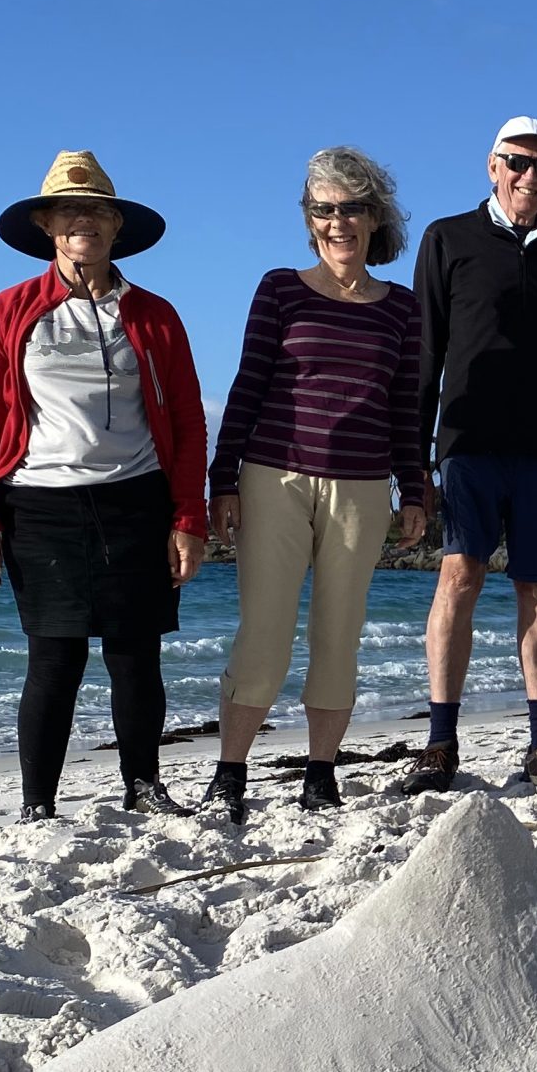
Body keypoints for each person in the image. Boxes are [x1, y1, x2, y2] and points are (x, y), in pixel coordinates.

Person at [0, 151, 207, 822]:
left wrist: (190, 516)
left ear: (115, 225)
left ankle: (144, 787)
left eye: (96, 209)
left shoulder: (155, 315)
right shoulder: (11, 311)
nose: (83, 221)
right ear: (46, 225)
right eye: (69, 210)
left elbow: (186, 420)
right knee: (55, 657)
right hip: (38, 504)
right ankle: (37, 804)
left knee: (136, 655)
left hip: (137, 499)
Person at [200, 148, 429, 823]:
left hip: (361, 488)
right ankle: (230, 772)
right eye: (324, 209)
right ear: (309, 219)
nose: (338, 223)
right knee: (263, 633)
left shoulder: (403, 309)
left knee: (339, 634)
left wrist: (413, 488)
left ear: (374, 218)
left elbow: (404, 408)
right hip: (274, 477)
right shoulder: (280, 289)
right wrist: (224, 479)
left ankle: (321, 773)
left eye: (351, 208)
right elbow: (248, 385)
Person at [399, 117, 537, 795]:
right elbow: (426, 355)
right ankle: (439, 745)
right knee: (459, 577)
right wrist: (413, 464)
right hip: (468, 443)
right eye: (518, 162)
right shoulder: (447, 238)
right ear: (492, 165)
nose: (530, 176)